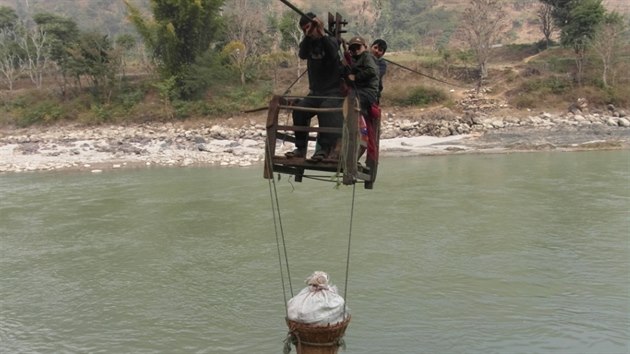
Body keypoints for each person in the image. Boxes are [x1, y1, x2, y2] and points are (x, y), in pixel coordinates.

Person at [285, 12, 344, 162]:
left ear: (317, 25)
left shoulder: (331, 40)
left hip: (333, 92)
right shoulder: (308, 43)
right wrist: (308, 34)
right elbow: (302, 54)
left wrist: (322, 32)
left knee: (325, 111)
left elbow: (332, 52)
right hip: (315, 93)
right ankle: (300, 148)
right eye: (304, 29)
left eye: (308, 27)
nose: (307, 31)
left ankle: (323, 149)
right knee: (299, 111)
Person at [370, 39, 388, 103]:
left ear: (382, 54)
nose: (376, 51)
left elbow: (375, 75)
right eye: (375, 47)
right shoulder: (362, 58)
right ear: (370, 47)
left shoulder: (382, 64)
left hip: (374, 93)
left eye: (380, 50)